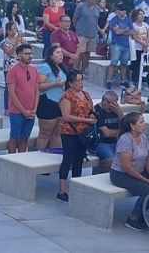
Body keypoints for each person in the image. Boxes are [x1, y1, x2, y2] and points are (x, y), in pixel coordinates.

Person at [109, 112, 149, 231]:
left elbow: (147, 160)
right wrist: (146, 180)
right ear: (132, 126)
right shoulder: (125, 140)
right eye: (141, 122)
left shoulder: (143, 137)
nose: (144, 124)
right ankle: (133, 218)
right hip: (121, 174)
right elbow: (127, 167)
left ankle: (142, 212)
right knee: (148, 191)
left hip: (138, 171)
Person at [57, 70, 96, 202]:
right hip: (70, 132)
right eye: (77, 81)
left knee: (79, 160)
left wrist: (91, 116)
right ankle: (62, 190)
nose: (80, 83)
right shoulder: (66, 96)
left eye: (81, 80)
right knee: (68, 159)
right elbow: (66, 116)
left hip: (83, 132)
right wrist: (86, 121)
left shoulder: (86, 94)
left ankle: (76, 187)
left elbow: (91, 110)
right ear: (70, 83)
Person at [6, 44, 39, 154]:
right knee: (14, 138)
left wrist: (34, 109)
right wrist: (23, 111)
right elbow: (12, 94)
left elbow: (36, 90)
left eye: (31, 54)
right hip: (17, 112)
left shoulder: (34, 70)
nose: (29, 56)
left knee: (25, 138)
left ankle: (22, 160)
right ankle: (11, 161)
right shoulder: (13, 71)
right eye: (26, 54)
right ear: (18, 56)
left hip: (31, 111)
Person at [35, 45, 65, 153]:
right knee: (45, 132)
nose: (61, 54)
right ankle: (40, 156)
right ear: (51, 56)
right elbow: (39, 85)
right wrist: (54, 84)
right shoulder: (45, 67)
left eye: (61, 52)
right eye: (57, 53)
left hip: (60, 103)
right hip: (47, 102)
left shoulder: (61, 68)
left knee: (57, 132)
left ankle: (53, 155)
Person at [105, 3, 132, 90]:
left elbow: (131, 31)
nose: (124, 12)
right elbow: (116, 32)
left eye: (124, 10)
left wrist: (121, 30)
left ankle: (123, 80)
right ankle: (108, 81)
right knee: (113, 62)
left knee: (124, 63)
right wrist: (125, 30)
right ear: (117, 11)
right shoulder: (113, 19)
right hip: (116, 43)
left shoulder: (128, 20)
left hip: (126, 44)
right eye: (122, 10)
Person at [73, 0, 99, 74]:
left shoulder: (97, 8)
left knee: (87, 54)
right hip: (82, 34)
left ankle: (83, 71)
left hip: (92, 34)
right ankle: (76, 70)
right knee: (80, 53)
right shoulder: (81, 7)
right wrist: (78, 29)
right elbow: (75, 19)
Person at [95, 90, 123, 168]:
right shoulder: (96, 111)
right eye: (111, 103)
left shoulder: (116, 110)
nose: (113, 106)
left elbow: (127, 128)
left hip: (117, 142)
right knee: (112, 161)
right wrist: (120, 132)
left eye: (115, 103)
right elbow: (106, 133)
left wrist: (120, 114)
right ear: (104, 101)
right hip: (102, 144)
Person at [129, 9, 149, 87]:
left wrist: (146, 43)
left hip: (145, 47)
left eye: (143, 14)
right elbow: (134, 36)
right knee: (134, 64)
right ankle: (131, 80)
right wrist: (142, 43)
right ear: (136, 16)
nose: (142, 16)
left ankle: (141, 80)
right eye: (140, 14)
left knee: (144, 64)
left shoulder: (146, 25)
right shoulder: (133, 25)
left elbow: (148, 35)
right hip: (136, 47)